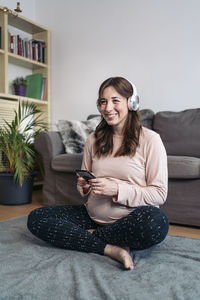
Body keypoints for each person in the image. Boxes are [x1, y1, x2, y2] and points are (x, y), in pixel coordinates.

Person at [27, 77, 169, 270]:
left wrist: (117, 189)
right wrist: (84, 187)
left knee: (156, 222)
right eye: (103, 102)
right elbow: (84, 185)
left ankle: (86, 237)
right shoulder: (93, 139)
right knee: (36, 217)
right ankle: (110, 248)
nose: (108, 108)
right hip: (91, 216)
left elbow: (159, 194)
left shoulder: (151, 140)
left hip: (130, 219)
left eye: (115, 100)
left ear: (131, 102)